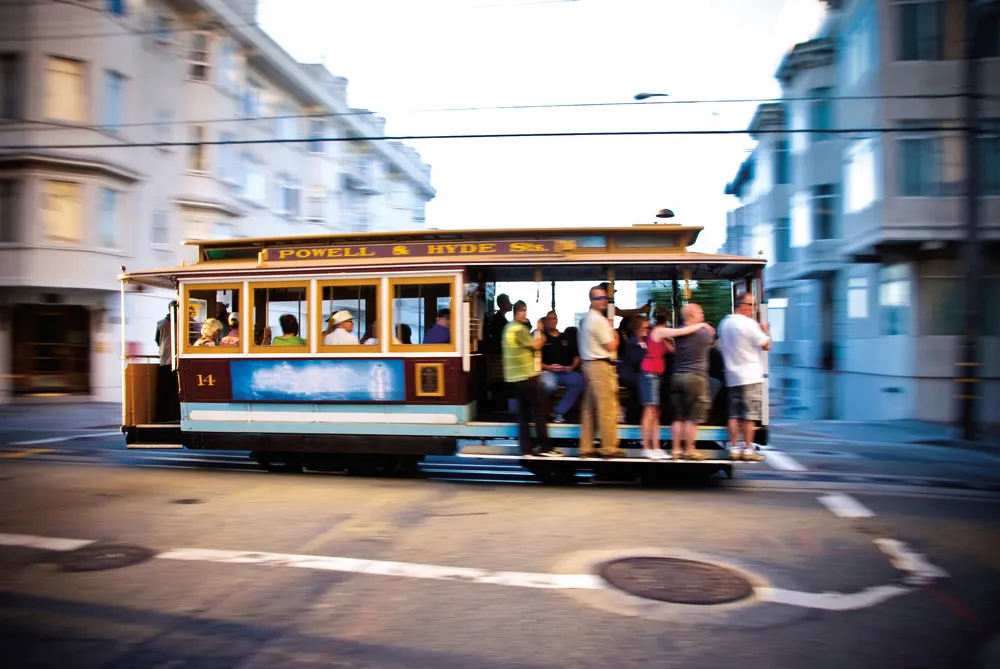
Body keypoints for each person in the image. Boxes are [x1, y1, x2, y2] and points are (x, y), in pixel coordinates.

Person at [502, 300, 561, 457]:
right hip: (526, 375)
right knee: (541, 410)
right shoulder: (519, 329)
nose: (525, 314)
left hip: (513, 378)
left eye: (525, 311)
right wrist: (541, 333)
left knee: (523, 415)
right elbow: (536, 345)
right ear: (517, 312)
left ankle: (526, 449)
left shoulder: (507, 328)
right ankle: (545, 447)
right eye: (523, 311)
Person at [718, 291, 771, 461]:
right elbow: (766, 345)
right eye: (751, 305)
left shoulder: (724, 323)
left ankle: (733, 447)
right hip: (751, 376)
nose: (753, 308)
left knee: (733, 415)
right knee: (749, 416)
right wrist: (766, 331)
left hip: (732, 376)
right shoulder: (749, 324)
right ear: (742, 306)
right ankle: (748, 449)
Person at [577, 284, 627, 459]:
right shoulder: (598, 320)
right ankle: (609, 447)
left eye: (605, 298)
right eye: (600, 298)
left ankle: (586, 447)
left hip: (589, 365)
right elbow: (612, 345)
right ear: (592, 300)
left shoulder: (586, 320)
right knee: (607, 407)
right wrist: (614, 332)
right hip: (600, 365)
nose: (604, 301)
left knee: (589, 408)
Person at [664, 304, 716, 460]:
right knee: (692, 417)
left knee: (679, 417)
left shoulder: (678, 332)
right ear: (692, 316)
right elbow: (711, 344)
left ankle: (675, 450)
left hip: (677, 377)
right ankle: (688, 450)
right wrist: (703, 326)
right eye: (700, 312)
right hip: (696, 377)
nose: (703, 315)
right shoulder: (703, 333)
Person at [539, 311, 583, 424]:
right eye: (549, 319)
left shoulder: (566, 337)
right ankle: (540, 412)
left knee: (580, 381)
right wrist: (548, 367)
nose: (552, 321)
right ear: (546, 321)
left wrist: (571, 367)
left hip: (565, 372)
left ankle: (558, 412)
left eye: (554, 319)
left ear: (557, 321)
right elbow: (535, 361)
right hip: (548, 372)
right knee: (549, 386)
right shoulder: (542, 339)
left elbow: (577, 356)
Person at [154, 301, 179, 423]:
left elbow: (157, 340)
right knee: (175, 390)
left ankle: (162, 416)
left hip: (165, 360)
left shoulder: (161, 324)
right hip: (176, 362)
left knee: (163, 391)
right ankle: (173, 414)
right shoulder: (183, 323)